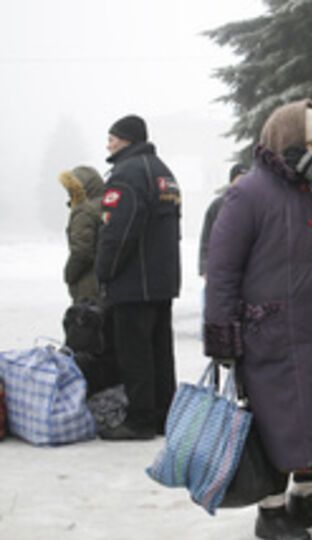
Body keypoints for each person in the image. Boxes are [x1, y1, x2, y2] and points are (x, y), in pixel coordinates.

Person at [203, 99, 312, 540]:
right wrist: (222, 334)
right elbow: (222, 269)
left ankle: (307, 498)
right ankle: (272, 510)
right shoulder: (250, 193)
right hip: (272, 334)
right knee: (278, 423)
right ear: (287, 142)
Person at [95, 114, 181, 441]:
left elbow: (118, 231)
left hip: (133, 283)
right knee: (160, 352)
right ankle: (163, 415)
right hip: (161, 281)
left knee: (135, 354)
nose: (108, 144)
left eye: (113, 137)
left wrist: (104, 271)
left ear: (128, 139)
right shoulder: (164, 173)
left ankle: (140, 419)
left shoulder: (126, 174)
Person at [59, 165, 105, 304]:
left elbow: (82, 251)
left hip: (89, 285)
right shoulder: (109, 205)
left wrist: (69, 275)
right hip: (108, 282)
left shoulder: (85, 211)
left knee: (87, 321)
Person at [198, 163, 247, 277]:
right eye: (239, 180)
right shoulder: (217, 206)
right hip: (221, 268)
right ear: (231, 182)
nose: (242, 184)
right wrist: (204, 267)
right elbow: (206, 239)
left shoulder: (256, 206)